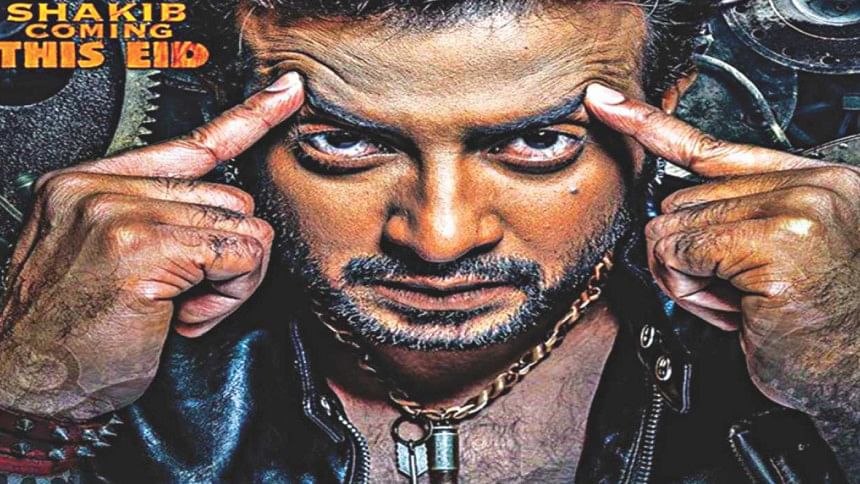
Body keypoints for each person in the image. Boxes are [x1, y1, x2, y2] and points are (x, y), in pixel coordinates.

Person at [0, 0, 857, 482]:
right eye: (342, 141)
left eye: (539, 141)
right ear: (236, 119)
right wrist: (29, 402)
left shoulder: (802, 338)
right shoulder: (93, 331)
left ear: (661, 110)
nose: (441, 239)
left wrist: (847, 383)